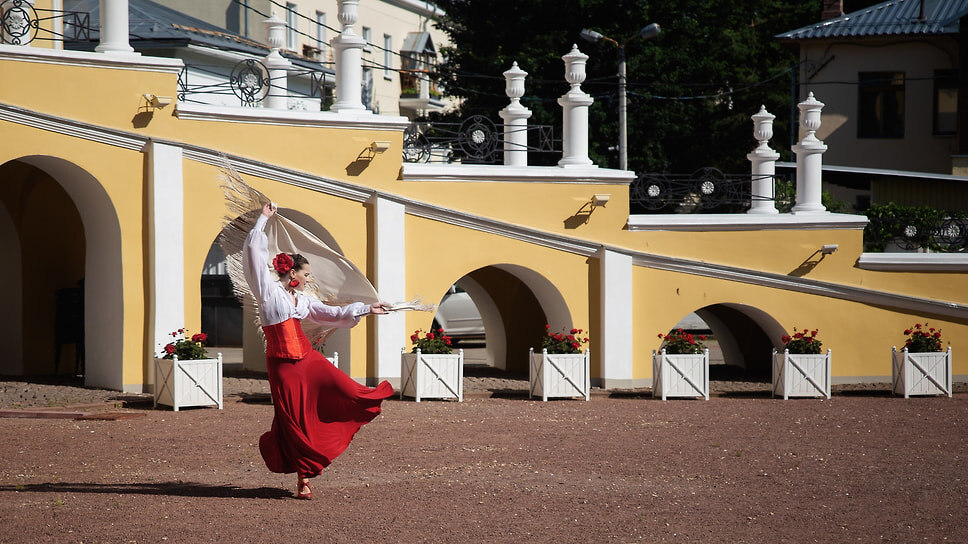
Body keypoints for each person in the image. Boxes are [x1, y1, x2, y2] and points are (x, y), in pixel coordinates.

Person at [244, 202, 394, 500]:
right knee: (294, 419)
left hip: (307, 359)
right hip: (282, 365)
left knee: (344, 387)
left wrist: (367, 308)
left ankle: (368, 399)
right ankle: (304, 479)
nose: (310, 278)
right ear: (293, 273)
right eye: (307, 273)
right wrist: (262, 219)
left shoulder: (302, 299)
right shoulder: (268, 291)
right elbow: (253, 254)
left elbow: (329, 313)